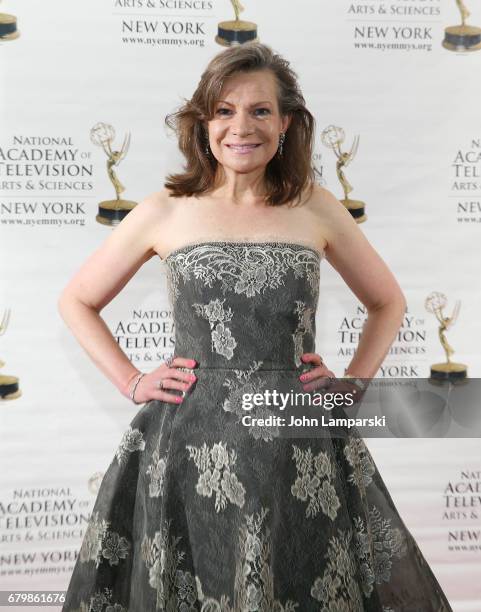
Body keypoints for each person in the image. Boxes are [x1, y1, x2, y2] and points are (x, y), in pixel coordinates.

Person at [58, 42, 452, 611]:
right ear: (203, 122)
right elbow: (77, 300)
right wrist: (130, 380)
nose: (241, 126)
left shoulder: (315, 206)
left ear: (286, 123)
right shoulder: (165, 209)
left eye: (260, 110)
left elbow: (387, 301)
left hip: (298, 441)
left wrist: (355, 382)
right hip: (189, 443)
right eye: (224, 110)